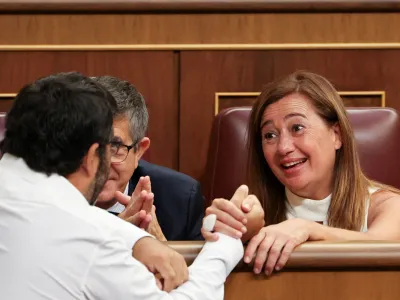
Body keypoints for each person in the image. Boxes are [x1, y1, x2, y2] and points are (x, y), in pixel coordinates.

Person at [0, 72, 243, 299]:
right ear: (92, 156)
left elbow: (58, 210)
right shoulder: (88, 240)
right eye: (110, 149)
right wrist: (226, 242)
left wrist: (135, 239)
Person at [203, 70, 400, 276]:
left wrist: (309, 230)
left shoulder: (389, 206)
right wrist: (240, 233)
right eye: (270, 135)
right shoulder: (254, 211)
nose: (283, 147)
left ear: (336, 135)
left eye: (297, 128)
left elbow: (383, 248)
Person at [92, 76, 204, 241]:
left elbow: (196, 266)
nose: (100, 164)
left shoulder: (180, 197)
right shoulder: (49, 197)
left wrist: (159, 245)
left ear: (139, 151)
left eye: (115, 147)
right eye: (90, 147)